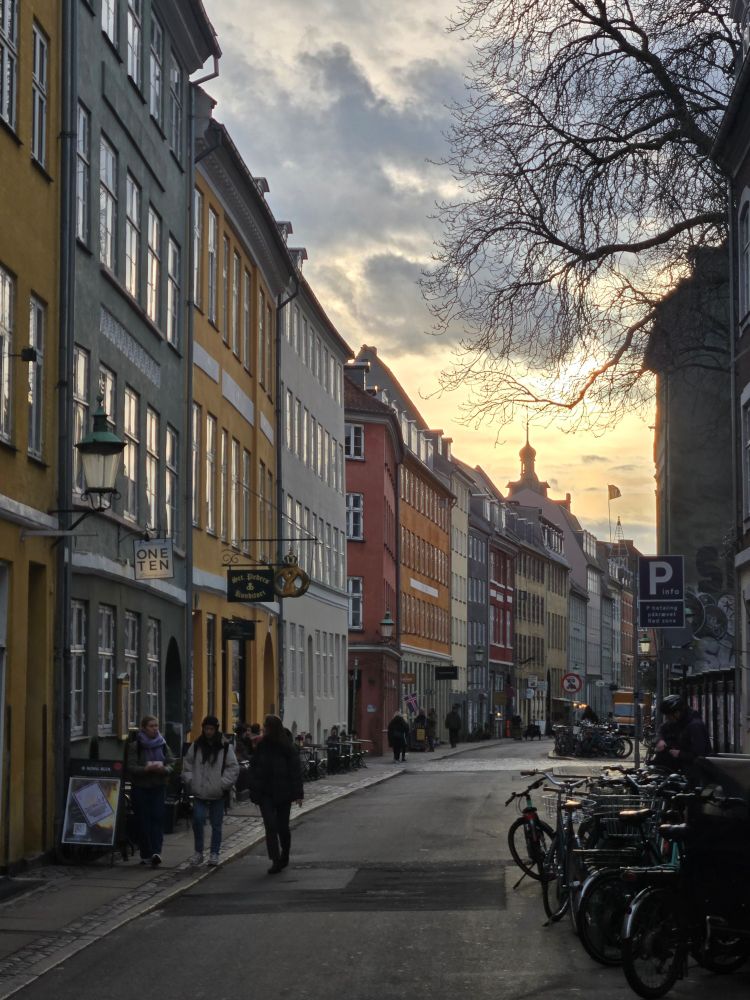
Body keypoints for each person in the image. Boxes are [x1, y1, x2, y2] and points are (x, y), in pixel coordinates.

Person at [249, 715, 304, 874]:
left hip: (283, 793)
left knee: (282, 827)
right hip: (265, 792)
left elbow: (295, 771)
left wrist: (298, 793)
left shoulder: (286, 746)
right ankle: (275, 859)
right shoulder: (262, 746)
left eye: (266, 726)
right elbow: (254, 767)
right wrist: (254, 787)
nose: (264, 729)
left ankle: (285, 855)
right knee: (270, 825)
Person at [182, 715, 239, 867]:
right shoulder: (196, 745)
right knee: (198, 820)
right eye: (206, 729)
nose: (208, 732)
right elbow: (187, 765)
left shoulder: (225, 746)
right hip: (200, 791)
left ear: (216, 730)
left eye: (211, 729)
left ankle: (214, 852)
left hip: (217, 792)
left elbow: (233, 768)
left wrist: (222, 784)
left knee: (216, 824)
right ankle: (198, 852)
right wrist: (190, 780)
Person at [125, 715, 175, 866]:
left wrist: (164, 769)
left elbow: (172, 763)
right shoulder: (136, 746)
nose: (155, 729)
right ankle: (145, 853)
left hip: (158, 786)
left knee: (158, 819)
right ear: (144, 728)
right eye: (151, 726)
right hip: (141, 787)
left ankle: (156, 852)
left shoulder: (163, 744)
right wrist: (145, 769)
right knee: (143, 821)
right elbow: (130, 767)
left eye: (156, 726)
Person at [653, 695, 712, 775]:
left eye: (668, 715)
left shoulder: (695, 726)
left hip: (693, 770)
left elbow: (700, 754)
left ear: (677, 712)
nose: (667, 718)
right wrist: (660, 740)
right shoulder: (677, 721)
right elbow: (662, 729)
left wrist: (680, 754)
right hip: (679, 765)